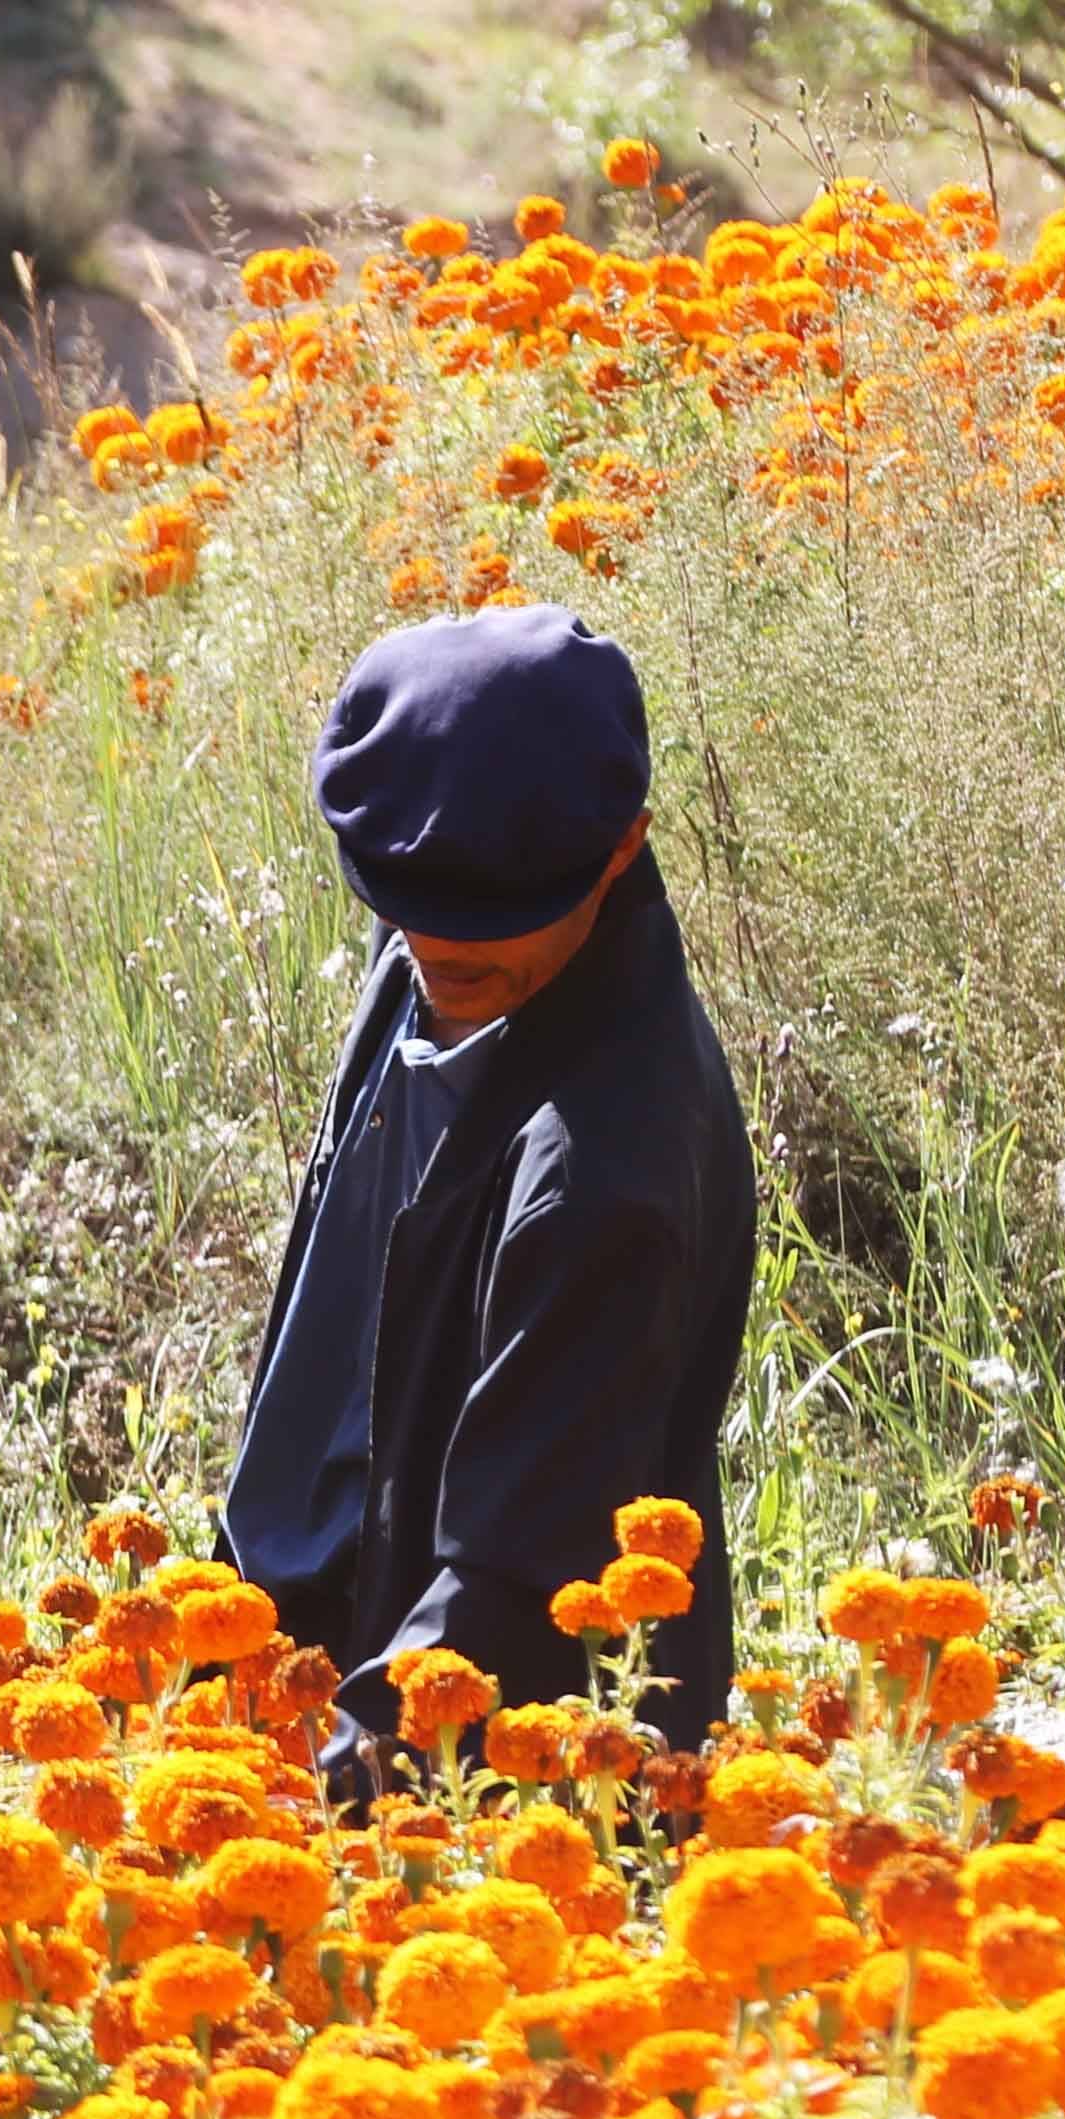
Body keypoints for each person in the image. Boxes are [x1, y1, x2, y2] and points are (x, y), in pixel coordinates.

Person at [219, 605, 754, 1767]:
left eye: (489, 923)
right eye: (409, 910)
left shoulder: (606, 1180)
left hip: (509, 1777)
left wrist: (333, 1790)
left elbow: (518, 1593)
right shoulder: (455, 923)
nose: (437, 952)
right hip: (340, 1651)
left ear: (623, 849)